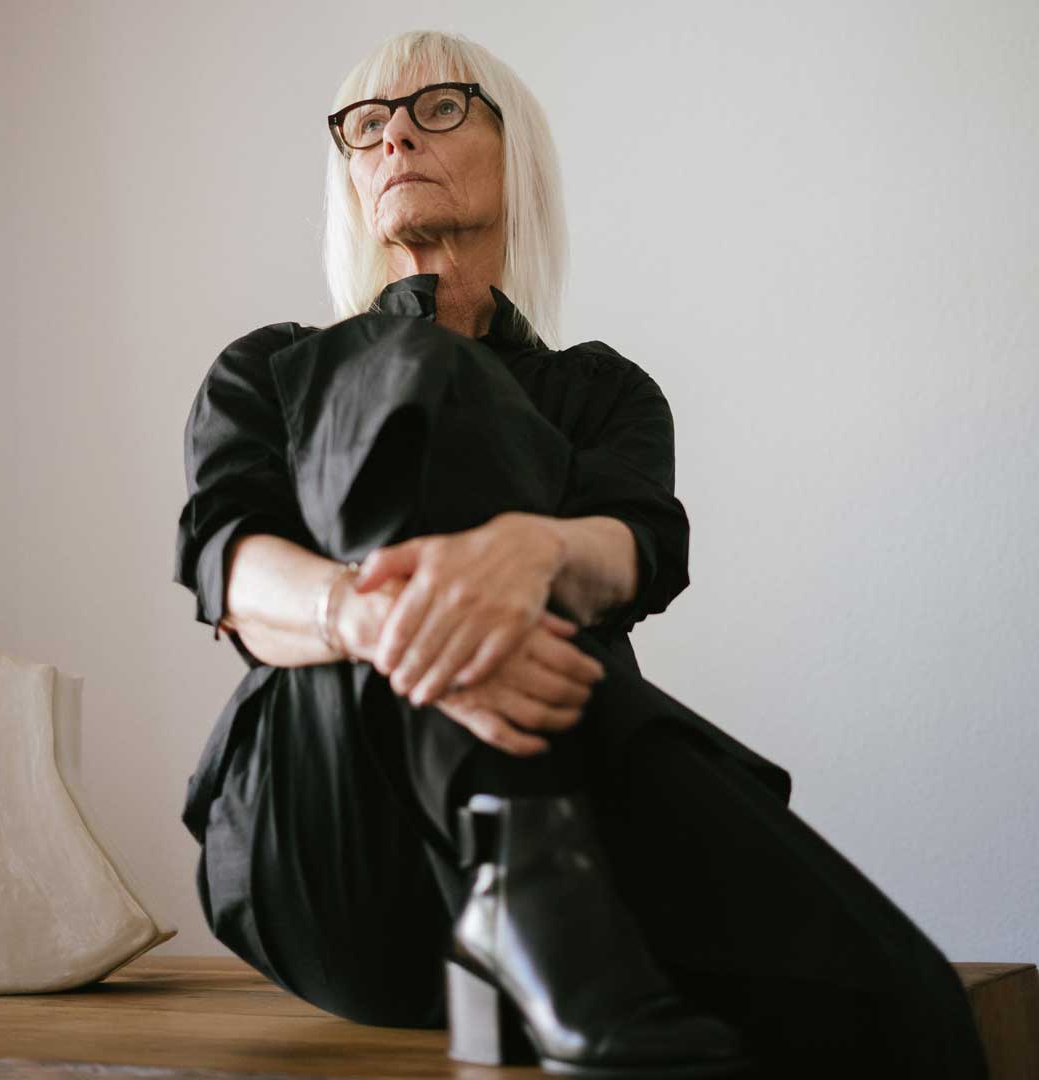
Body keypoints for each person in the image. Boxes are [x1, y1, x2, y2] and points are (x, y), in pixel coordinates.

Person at [172, 29, 989, 1080]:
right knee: (421, 362)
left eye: (439, 109)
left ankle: (539, 894)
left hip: (582, 821)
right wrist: (364, 616)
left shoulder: (603, 391)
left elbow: (640, 547)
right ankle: (527, 886)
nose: (395, 140)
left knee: (908, 1010)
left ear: (520, 152)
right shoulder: (271, 370)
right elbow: (230, 567)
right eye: (367, 125)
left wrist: (537, 549)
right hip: (333, 844)